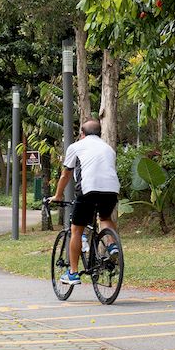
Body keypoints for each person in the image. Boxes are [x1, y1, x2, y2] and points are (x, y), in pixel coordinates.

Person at [50, 119, 120, 285]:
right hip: (112, 189)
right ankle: (113, 245)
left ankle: (73, 273)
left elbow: (66, 174)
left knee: (76, 230)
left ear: (82, 134)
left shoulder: (76, 147)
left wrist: (58, 195)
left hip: (89, 189)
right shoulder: (108, 149)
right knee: (104, 218)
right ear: (99, 133)